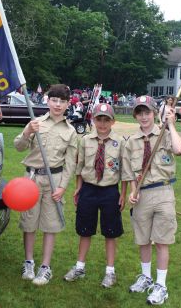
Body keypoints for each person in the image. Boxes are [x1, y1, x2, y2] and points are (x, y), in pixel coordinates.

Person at [122, 95, 181, 305]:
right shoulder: (131, 142)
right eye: (139, 112)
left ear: (153, 113)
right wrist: (133, 191)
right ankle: (146, 277)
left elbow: (179, 149)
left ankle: (161, 285)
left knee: (161, 240)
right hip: (142, 194)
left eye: (147, 112)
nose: (143, 116)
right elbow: (130, 171)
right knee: (143, 239)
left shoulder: (164, 133)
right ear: (135, 115)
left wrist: (171, 125)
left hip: (163, 193)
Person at [14, 84, 78, 286]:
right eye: (54, 100)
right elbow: (18, 147)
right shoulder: (36, 123)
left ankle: (45, 267)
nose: (58, 105)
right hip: (31, 180)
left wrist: (62, 187)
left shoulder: (71, 131)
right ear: (48, 101)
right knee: (29, 222)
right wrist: (26, 131)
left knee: (51, 225)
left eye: (62, 101)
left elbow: (70, 163)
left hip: (55, 181)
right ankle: (29, 262)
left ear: (68, 104)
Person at [64, 103, 127, 288]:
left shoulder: (120, 142)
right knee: (85, 230)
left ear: (112, 121)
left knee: (110, 232)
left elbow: (125, 171)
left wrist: (123, 194)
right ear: (93, 119)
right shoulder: (85, 140)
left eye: (106, 119)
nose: (102, 123)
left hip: (109, 191)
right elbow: (80, 165)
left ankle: (110, 272)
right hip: (89, 189)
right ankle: (80, 267)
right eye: (99, 119)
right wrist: (78, 187)